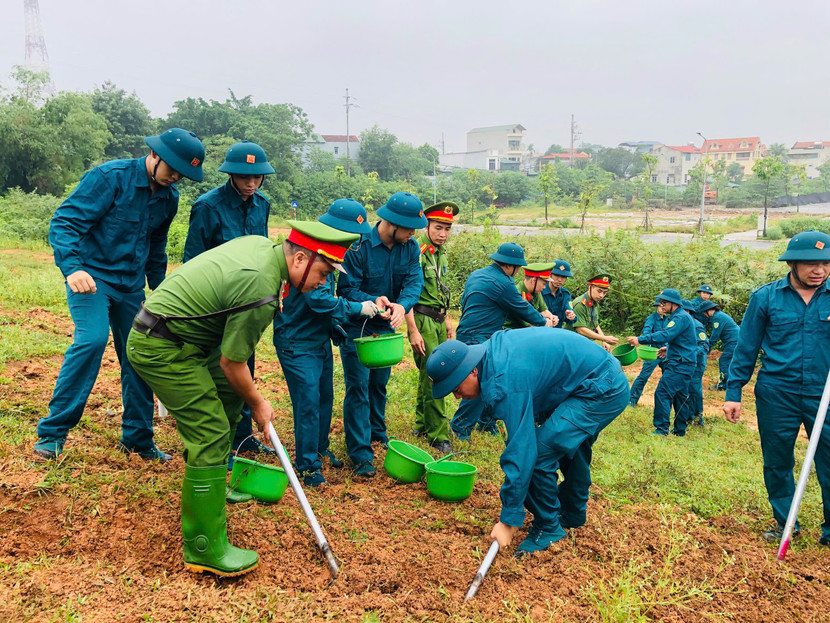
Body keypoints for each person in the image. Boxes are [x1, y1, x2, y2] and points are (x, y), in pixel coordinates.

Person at [126, 221, 360, 577]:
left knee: (228, 401)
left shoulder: (264, 249)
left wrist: (244, 399)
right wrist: (259, 402)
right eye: (324, 273)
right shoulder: (261, 288)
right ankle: (204, 546)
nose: (323, 284)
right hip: (162, 345)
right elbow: (232, 363)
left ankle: (216, 484)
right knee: (211, 428)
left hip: (190, 337)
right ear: (300, 259)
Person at [34, 128, 205, 461]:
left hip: (130, 286)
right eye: (171, 168)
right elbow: (65, 222)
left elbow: (156, 246)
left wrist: (162, 290)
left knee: (141, 354)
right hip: (91, 279)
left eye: (182, 174)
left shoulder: (169, 198)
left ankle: (138, 440)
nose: (175, 177)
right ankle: (52, 434)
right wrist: (73, 268)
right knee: (92, 340)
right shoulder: (109, 178)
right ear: (154, 155)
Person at [427, 328, 629, 554]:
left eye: (456, 388)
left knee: (539, 453)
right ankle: (572, 512)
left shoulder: (504, 382)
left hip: (601, 388)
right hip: (586, 379)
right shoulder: (490, 357)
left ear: (472, 371)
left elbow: (521, 451)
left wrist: (508, 520)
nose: (457, 396)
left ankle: (548, 527)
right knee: (565, 443)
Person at [723, 230, 830, 545]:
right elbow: (746, 348)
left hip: (824, 395)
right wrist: (733, 394)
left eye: (825, 263)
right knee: (777, 460)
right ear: (793, 264)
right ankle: (786, 523)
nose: (819, 271)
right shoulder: (766, 297)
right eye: (811, 264)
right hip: (776, 393)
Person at [273, 199, 381, 487]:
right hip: (297, 342)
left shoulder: (331, 253)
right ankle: (307, 466)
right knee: (308, 404)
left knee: (323, 398)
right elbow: (319, 299)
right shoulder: (311, 251)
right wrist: (360, 308)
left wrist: (334, 326)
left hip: (317, 339)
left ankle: (319, 449)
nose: (356, 243)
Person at [182, 140, 276, 463]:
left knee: (243, 366)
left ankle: (243, 439)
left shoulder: (262, 205)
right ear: (231, 174)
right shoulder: (208, 207)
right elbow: (192, 262)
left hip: (246, 303)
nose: (251, 183)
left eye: (257, 178)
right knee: (219, 374)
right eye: (244, 177)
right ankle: (219, 443)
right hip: (215, 304)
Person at [336, 192, 427, 477]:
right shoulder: (359, 247)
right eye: (409, 227)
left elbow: (414, 282)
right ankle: (361, 453)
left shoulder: (410, 248)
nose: (413, 233)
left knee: (379, 383)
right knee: (359, 387)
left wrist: (403, 304)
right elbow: (347, 288)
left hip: (385, 328)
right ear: (390, 222)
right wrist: (374, 300)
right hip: (359, 326)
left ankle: (378, 432)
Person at [449, 243, 555, 441]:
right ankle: (460, 427)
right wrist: (543, 322)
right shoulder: (503, 282)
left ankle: (486, 421)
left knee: (492, 379)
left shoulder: (477, 274)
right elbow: (521, 307)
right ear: (511, 266)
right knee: (478, 382)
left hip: (468, 331)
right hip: (479, 336)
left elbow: (465, 301)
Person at [406, 201, 458, 454]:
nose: (443, 234)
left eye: (447, 229)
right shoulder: (417, 252)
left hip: (438, 319)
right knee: (436, 373)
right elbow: (407, 295)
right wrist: (413, 330)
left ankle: (421, 423)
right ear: (426, 226)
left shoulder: (441, 253)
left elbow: (440, 290)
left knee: (427, 373)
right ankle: (438, 434)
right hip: (422, 319)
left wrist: (447, 318)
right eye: (438, 228)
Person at [628, 288, 696, 436]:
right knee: (680, 396)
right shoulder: (680, 317)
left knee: (662, 392)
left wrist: (640, 340)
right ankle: (679, 430)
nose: (661, 305)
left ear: (673, 303)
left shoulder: (680, 318)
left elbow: (666, 334)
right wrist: (668, 348)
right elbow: (681, 339)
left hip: (680, 364)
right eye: (661, 302)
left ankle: (662, 429)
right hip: (684, 361)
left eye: (664, 303)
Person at [628, 297, 666, 408]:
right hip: (653, 352)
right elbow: (647, 332)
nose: (663, 308)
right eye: (660, 306)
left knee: (668, 376)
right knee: (644, 376)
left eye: (664, 306)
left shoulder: (668, 320)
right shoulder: (651, 319)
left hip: (665, 352)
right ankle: (632, 400)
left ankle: (666, 401)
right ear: (657, 307)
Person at [567, 274, 619, 352]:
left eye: (604, 293)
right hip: (571, 345)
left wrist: (604, 341)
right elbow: (581, 329)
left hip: (584, 343)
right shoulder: (580, 304)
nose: (601, 295)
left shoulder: (595, 303)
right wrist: (605, 338)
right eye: (599, 291)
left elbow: (595, 324)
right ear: (590, 287)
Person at [504, 262, 559, 329]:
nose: (544, 287)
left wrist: (552, 317)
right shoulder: (517, 294)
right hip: (512, 333)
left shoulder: (536, 291)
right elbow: (529, 324)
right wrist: (547, 323)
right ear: (533, 281)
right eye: (544, 284)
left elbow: (543, 310)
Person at [682, 299, 710, 426]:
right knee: (688, 389)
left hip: (697, 363)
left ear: (687, 311)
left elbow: (704, 346)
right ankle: (690, 416)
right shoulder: (681, 324)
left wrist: (690, 353)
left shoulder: (696, 325)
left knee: (694, 389)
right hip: (687, 362)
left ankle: (697, 419)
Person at [700, 300, 739, 391]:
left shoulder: (717, 318)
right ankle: (731, 382)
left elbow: (715, 335)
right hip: (735, 341)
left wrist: (707, 347)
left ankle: (724, 384)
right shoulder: (719, 315)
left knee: (724, 360)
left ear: (708, 311)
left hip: (734, 342)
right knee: (729, 362)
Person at [542, 259, 577, 329]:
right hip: (540, 330)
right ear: (550, 275)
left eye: (563, 277)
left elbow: (570, 316)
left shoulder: (565, 294)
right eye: (557, 275)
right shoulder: (540, 291)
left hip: (557, 332)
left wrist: (571, 316)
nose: (560, 280)